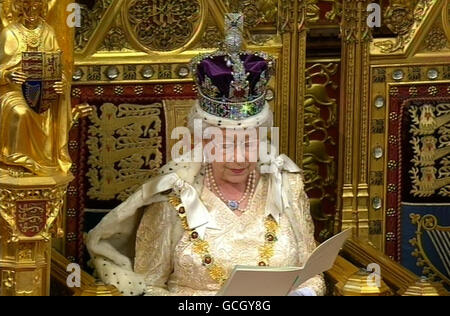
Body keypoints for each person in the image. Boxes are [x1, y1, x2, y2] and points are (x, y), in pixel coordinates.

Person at [87, 13, 326, 296]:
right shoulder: (173, 197)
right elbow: (149, 287)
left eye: (248, 144)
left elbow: (313, 275)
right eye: (224, 146)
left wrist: (303, 294)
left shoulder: (287, 185)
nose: (238, 158)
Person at [0, 0, 89, 176]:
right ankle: (14, 161)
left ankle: (44, 161)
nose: (31, 10)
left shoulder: (48, 32)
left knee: (45, 110)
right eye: (27, 5)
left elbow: (58, 67)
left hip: (42, 93)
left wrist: (61, 82)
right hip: (13, 91)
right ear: (20, 7)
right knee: (20, 112)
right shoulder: (9, 33)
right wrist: (7, 76)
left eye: (35, 6)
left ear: (42, 8)